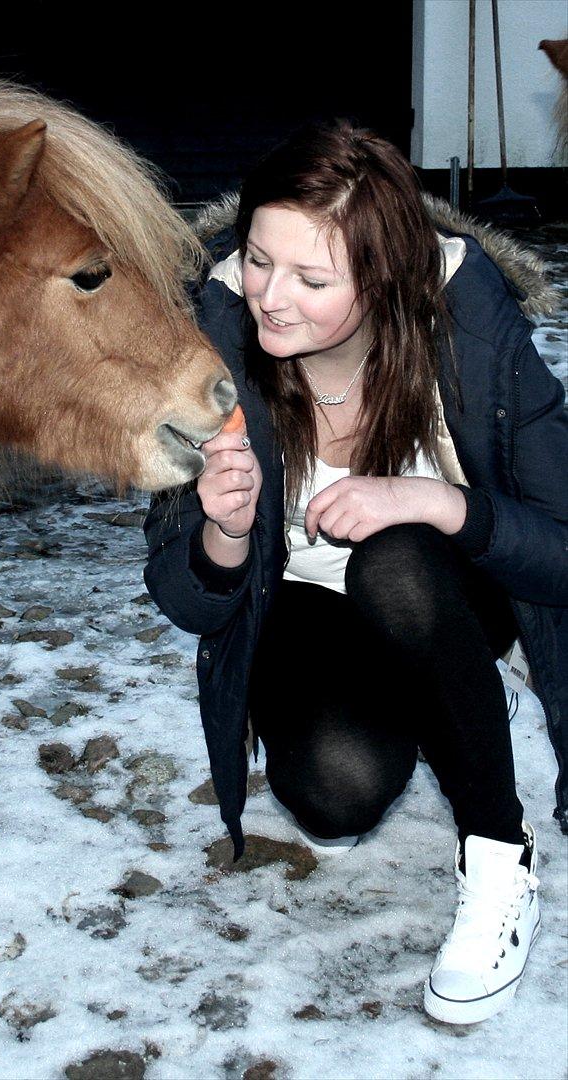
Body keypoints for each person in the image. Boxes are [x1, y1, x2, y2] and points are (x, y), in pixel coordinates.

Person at [144, 121, 567, 1025]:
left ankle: (500, 854)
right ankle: (450, 697)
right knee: (333, 799)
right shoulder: (211, 344)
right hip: (306, 603)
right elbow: (182, 597)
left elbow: (564, 549)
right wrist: (224, 530)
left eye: (312, 278)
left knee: (397, 561)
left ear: (383, 282)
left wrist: (440, 505)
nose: (271, 297)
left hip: (448, 582)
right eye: (258, 260)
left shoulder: (471, 330)